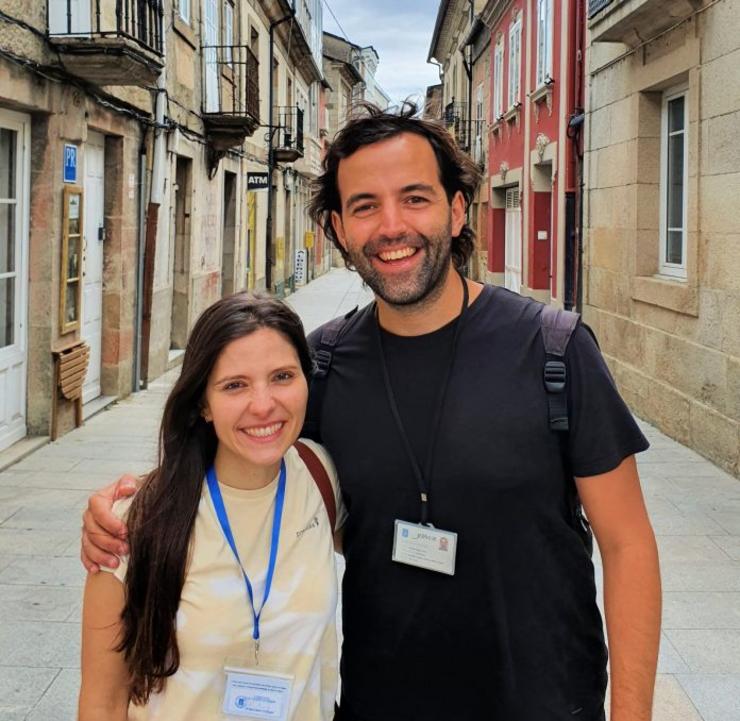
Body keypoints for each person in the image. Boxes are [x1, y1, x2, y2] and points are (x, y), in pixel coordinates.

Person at [82, 103, 661, 721]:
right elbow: (240, 462)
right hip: (373, 703)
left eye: (415, 198)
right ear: (337, 226)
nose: (391, 226)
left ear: (456, 209)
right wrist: (128, 512)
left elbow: (628, 546)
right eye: (364, 206)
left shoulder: (554, 349)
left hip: (543, 703)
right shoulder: (320, 365)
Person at [79, 294, 344, 721]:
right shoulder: (134, 524)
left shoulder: (319, 477)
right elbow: (102, 704)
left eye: (282, 376)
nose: (263, 404)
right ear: (202, 403)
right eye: (234, 385)